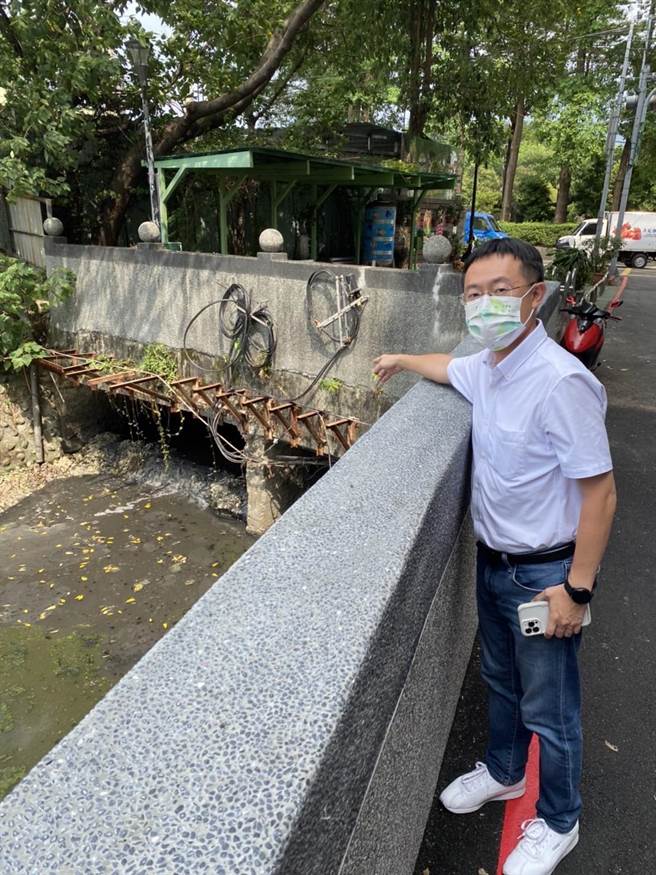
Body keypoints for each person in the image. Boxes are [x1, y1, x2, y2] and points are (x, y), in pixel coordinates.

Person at [372, 238, 616, 875]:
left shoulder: (562, 382)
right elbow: (447, 369)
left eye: (500, 292)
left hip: (545, 575)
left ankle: (560, 820)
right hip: (494, 563)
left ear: (535, 297)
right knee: (501, 682)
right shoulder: (488, 364)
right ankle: (507, 773)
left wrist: (576, 590)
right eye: (474, 295)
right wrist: (401, 357)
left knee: (552, 708)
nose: (484, 306)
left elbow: (601, 493)